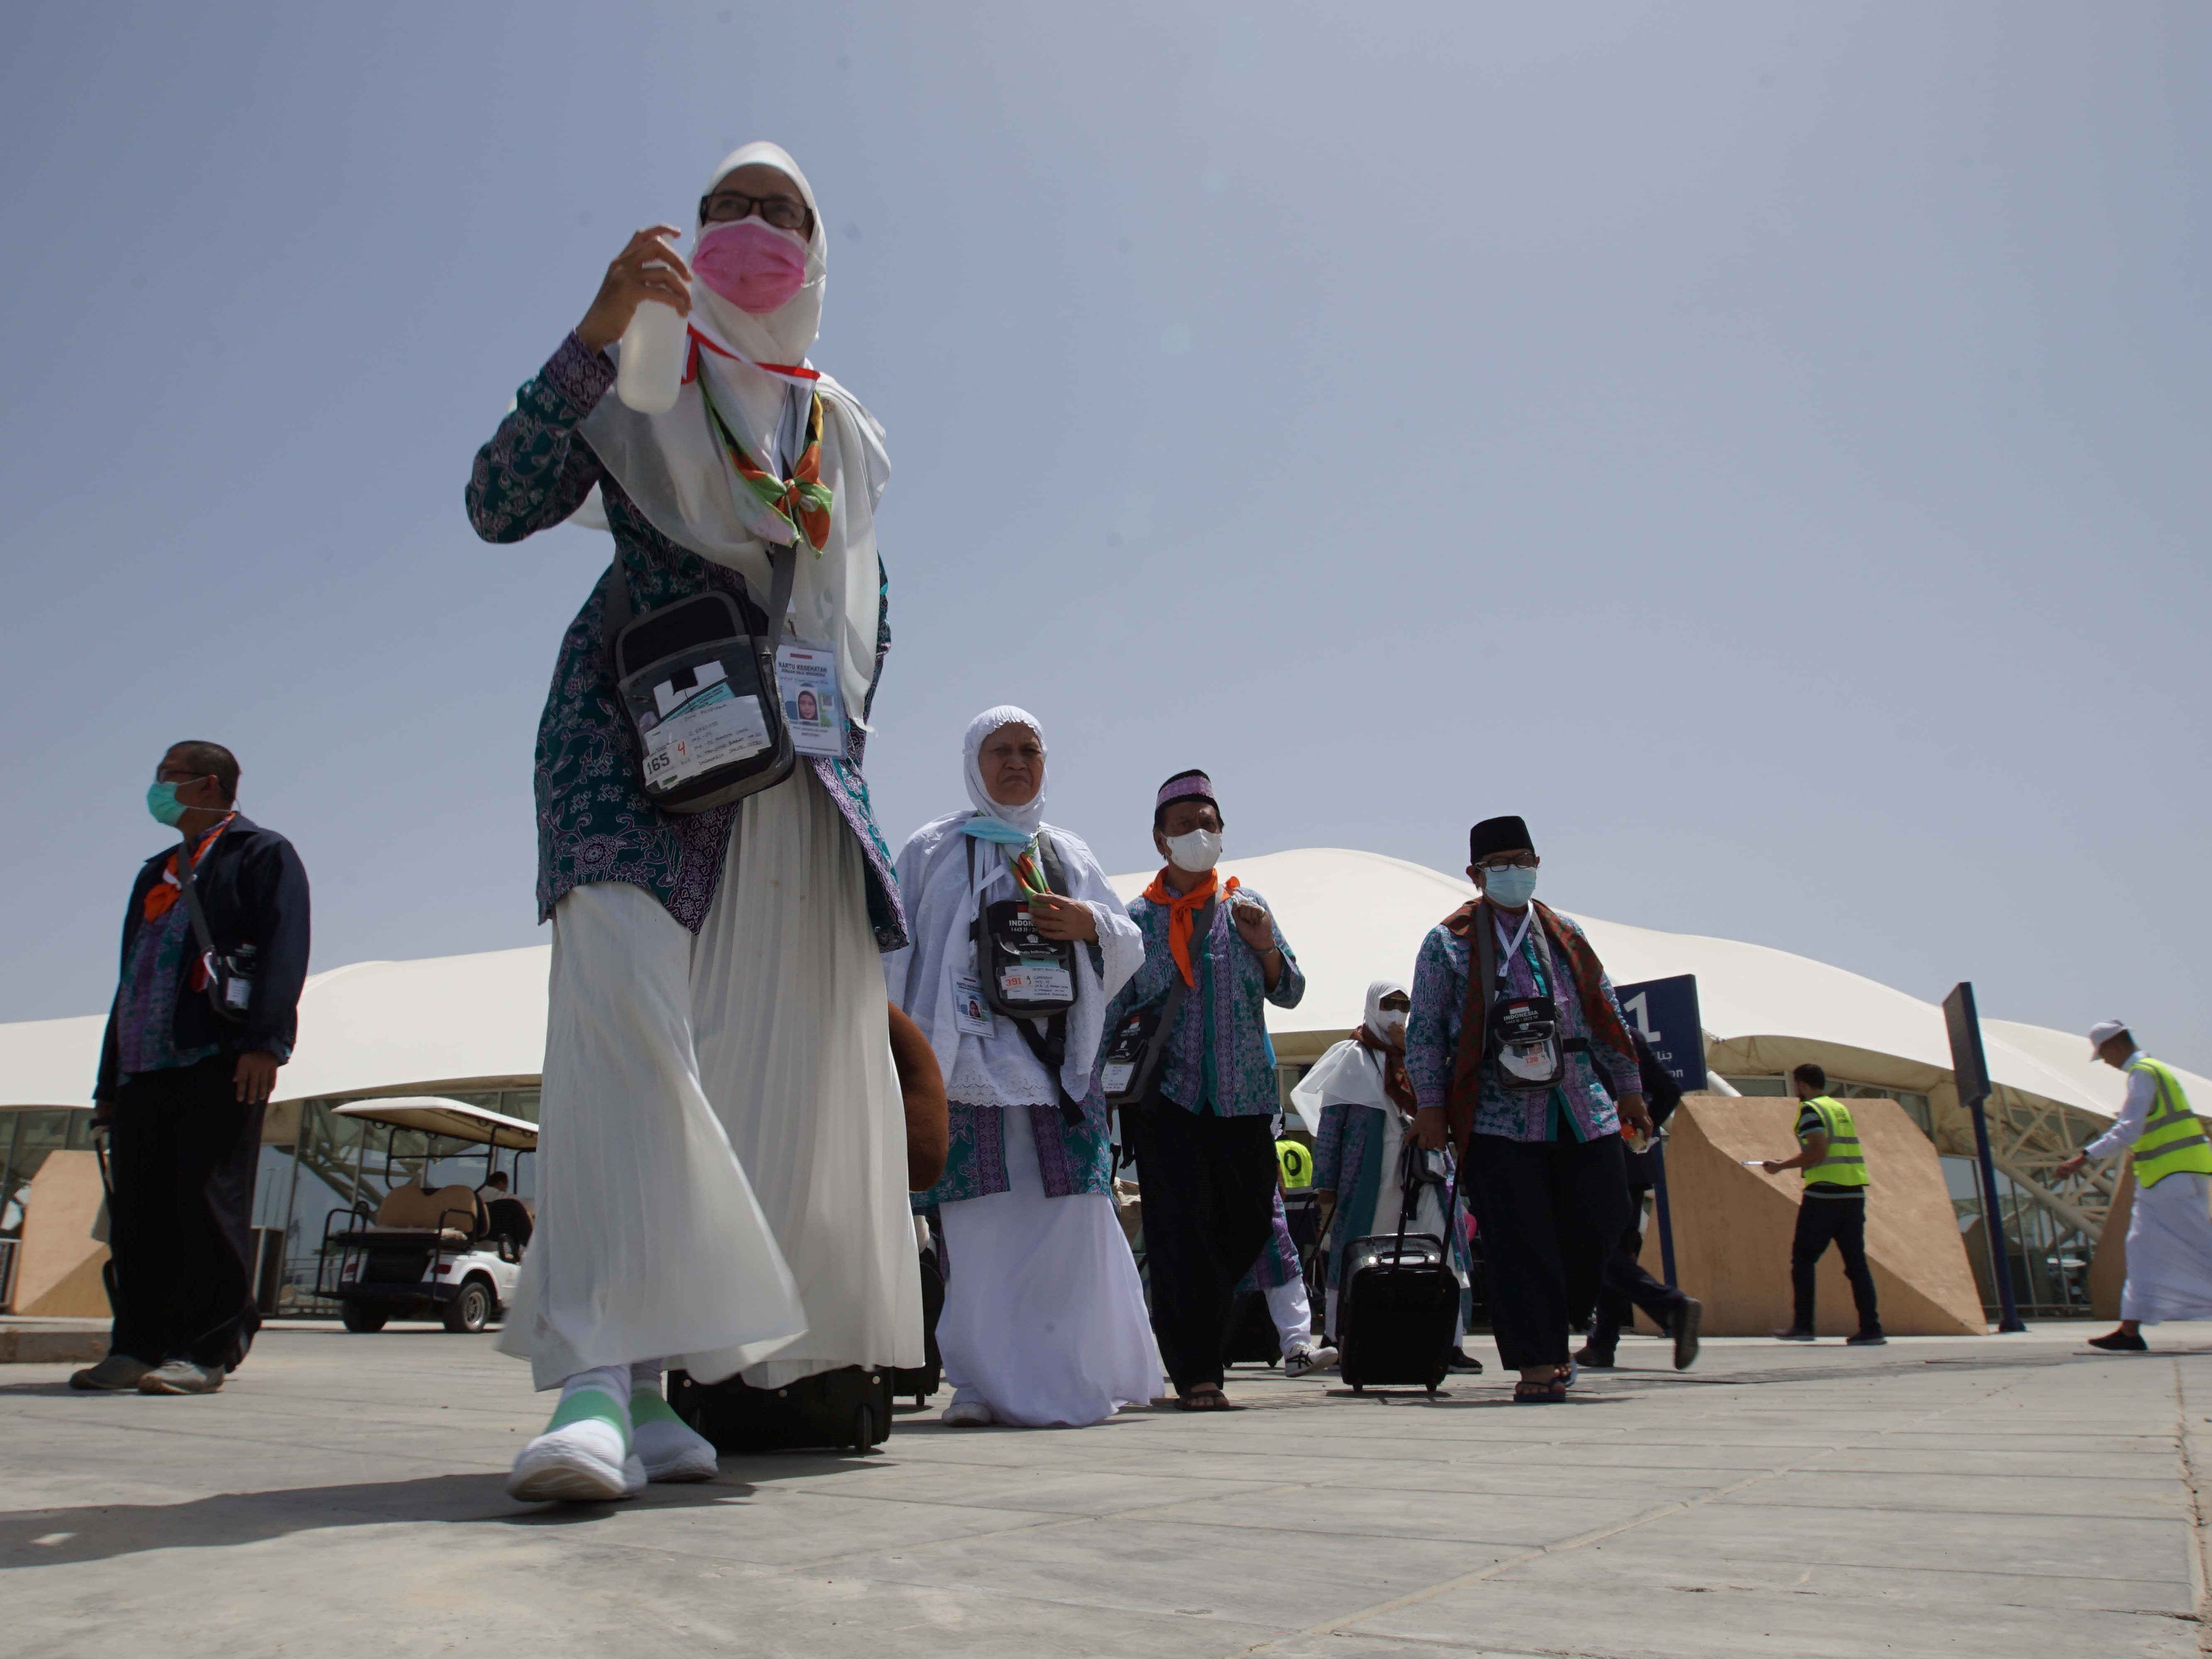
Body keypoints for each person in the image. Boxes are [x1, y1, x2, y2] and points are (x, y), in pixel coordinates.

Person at [467, 141, 920, 1502]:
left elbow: (865, 621)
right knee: (619, 1014)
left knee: (705, 1064)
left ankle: (659, 1391)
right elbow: (496, 504)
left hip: (775, 777)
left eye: (779, 212)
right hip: (627, 739)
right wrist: (598, 332)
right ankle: (595, 1378)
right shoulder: (638, 369)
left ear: (817, 251)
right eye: (724, 207)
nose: (748, 228)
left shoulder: (841, 430)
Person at [886, 707, 1160, 1426]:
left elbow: (1128, 941)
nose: (1015, 763)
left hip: (1055, 1072)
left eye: (1029, 750)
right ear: (973, 761)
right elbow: (891, 947)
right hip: (964, 1062)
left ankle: (1071, 1369)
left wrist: (1087, 924)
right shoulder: (931, 850)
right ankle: (976, 1381)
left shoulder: (1066, 852)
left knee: (1068, 1221)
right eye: (999, 750)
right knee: (977, 1228)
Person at [72, 743, 311, 1397]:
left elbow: (286, 947)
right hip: (143, 1066)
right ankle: (136, 1345)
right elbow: (130, 979)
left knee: (209, 1204)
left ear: (208, 784)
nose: (157, 789)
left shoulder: (261, 854)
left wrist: (265, 1043)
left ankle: (207, 1350)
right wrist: (108, 1084)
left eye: (167, 778)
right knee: (140, 1214)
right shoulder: (157, 870)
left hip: (219, 1059)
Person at [1408, 816, 1652, 1404]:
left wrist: (1629, 1088)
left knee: (1604, 1216)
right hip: (1497, 1111)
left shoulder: (1564, 933)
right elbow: (1425, 1033)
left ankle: (1559, 1321)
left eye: (1525, 860)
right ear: (1475, 874)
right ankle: (1537, 1364)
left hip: (1579, 1104)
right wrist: (1432, 1107)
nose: (1515, 872)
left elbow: (1605, 1012)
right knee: (1520, 1241)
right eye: (1501, 865)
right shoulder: (1449, 941)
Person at [1105, 769, 1305, 1411]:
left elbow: (1292, 990)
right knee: (1178, 1233)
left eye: (1208, 823)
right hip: (1169, 1104)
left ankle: (1197, 1325)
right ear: (1161, 840)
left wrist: (1266, 946)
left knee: (1248, 1225)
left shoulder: (1249, 907)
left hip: (1244, 1099)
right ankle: (1197, 1373)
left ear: (1223, 833)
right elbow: (1117, 1012)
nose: (1198, 834)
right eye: (1184, 825)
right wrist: (1105, 1095)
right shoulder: (1135, 919)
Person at [1302, 980, 1479, 1370]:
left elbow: (1442, 1099)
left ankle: (1450, 1342)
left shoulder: (1421, 1057)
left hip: (1421, 1172)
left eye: (1404, 1005)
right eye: (1389, 1005)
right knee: (1355, 1252)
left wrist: (1410, 1050)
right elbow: (1331, 1129)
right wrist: (1326, 1186)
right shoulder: (1351, 1057)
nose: (1397, 1014)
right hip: (1368, 1176)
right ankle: (1338, 1332)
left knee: (1442, 1249)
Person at [2056, 1020, 2212, 1351]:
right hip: (2170, 1176)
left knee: (2197, 1247)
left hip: (2171, 1176)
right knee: (2141, 1249)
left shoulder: (2142, 1073)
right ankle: (2129, 1330)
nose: (2106, 1063)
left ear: (2114, 1046)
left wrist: (2082, 1158)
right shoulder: (2156, 1071)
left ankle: (2129, 1330)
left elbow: (2128, 1130)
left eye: (2103, 1056)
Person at [1577, 1027, 1701, 1370]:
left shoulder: (1574, 1032)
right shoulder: (1628, 1035)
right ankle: (1602, 1343)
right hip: (1632, 1160)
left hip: (1592, 1157)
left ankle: (1670, 1305)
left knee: (1594, 1248)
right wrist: (1638, 1132)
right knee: (1614, 1251)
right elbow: (1669, 1091)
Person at [1762, 1063, 1884, 1345]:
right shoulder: (1838, 1109)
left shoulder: (1811, 1110)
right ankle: (1872, 1328)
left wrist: (1781, 1166)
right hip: (1853, 1194)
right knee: (1856, 1264)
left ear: (1801, 1084)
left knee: (1803, 1260)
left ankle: (1803, 1326)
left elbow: (1817, 1152)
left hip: (1823, 1197)